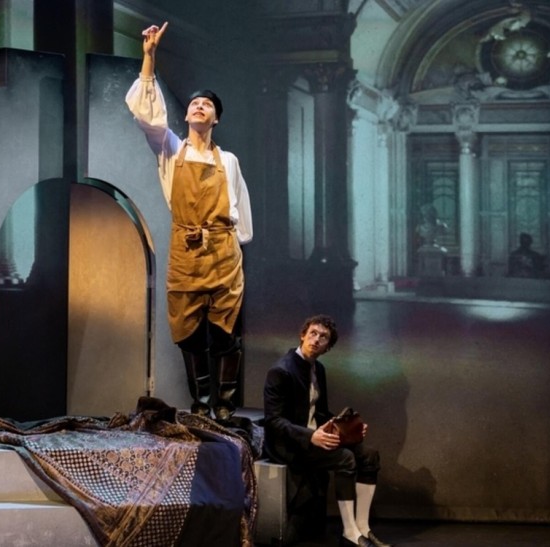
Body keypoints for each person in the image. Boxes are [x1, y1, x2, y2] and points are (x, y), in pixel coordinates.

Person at [126, 22, 253, 416]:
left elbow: (240, 210)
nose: (199, 106)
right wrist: (149, 57)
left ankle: (225, 405)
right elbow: (147, 117)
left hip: (223, 254)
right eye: (194, 103)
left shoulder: (228, 160)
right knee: (189, 333)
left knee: (225, 332)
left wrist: (234, 245)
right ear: (186, 114)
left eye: (207, 105)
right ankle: (201, 403)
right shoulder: (170, 149)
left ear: (216, 119)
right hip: (186, 252)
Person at [263, 315, 391, 547]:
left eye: (323, 337)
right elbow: (273, 421)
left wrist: (350, 427)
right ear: (302, 335)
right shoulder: (281, 371)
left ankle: (363, 527)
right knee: (346, 459)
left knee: (369, 455)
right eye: (312, 333)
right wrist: (310, 436)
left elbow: (320, 412)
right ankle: (349, 533)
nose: (316, 340)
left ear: (328, 347)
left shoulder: (317, 369)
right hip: (290, 444)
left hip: (317, 436)